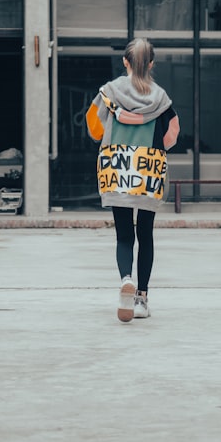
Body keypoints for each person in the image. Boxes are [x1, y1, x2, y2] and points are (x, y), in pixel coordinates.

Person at [86, 38, 180, 323]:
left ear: (125, 62)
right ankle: (141, 298)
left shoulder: (108, 92)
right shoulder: (161, 98)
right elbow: (173, 133)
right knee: (146, 234)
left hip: (118, 166)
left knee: (124, 234)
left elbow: (93, 126)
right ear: (151, 64)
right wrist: (155, 145)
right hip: (148, 168)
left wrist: (111, 136)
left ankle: (126, 278)